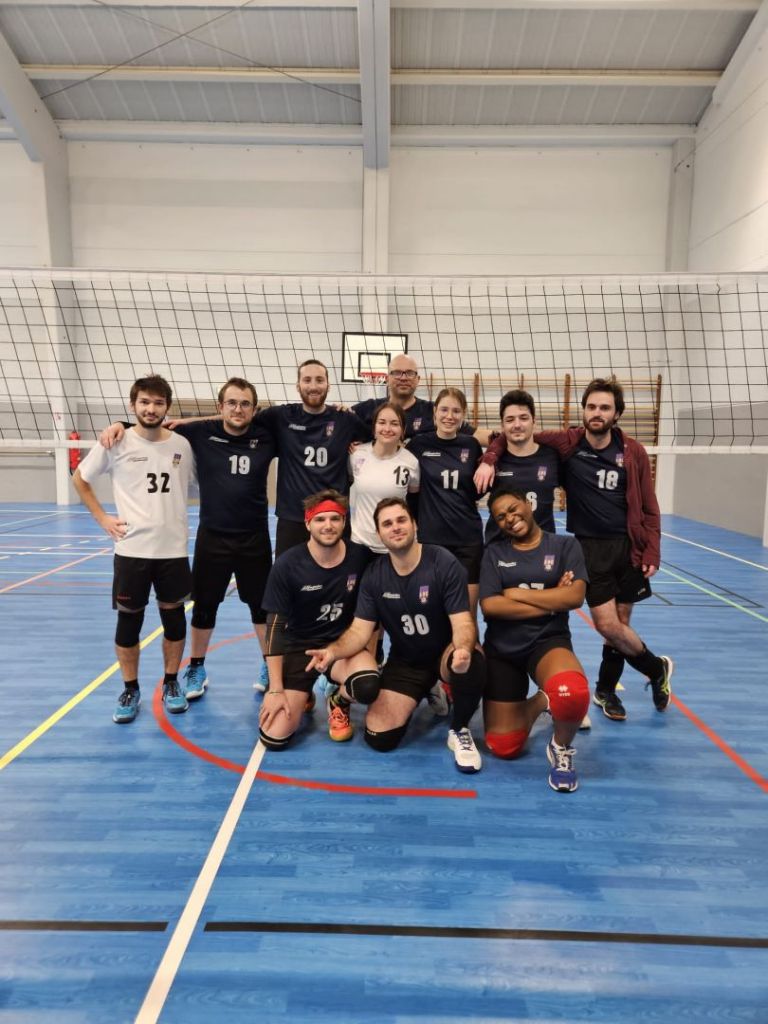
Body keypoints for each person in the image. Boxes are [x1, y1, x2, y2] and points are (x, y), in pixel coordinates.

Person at [478, 376, 673, 722]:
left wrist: (652, 550)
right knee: (607, 625)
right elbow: (512, 435)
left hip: (628, 546)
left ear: (617, 413)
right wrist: (491, 456)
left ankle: (606, 690)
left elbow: (649, 505)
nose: (597, 413)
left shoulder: (633, 452)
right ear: (583, 411)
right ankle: (656, 668)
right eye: (591, 406)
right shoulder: (568, 444)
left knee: (621, 624)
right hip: (589, 546)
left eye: (605, 408)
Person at [99, 377, 277, 698]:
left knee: (261, 608)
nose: (238, 409)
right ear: (220, 406)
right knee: (204, 607)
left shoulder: (267, 434)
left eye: (245, 404)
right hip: (213, 538)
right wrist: (120, 424)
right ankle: (196, 666)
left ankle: (268, 664)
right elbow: (152, 425)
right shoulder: (200, 433)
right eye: (231, 403)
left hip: (255, 538)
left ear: (254, 408)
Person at [307, 498, 486, 773]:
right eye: (387, 524)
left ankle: (460, 729)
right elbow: (359, 631)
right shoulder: (375, 575)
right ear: (379, 534)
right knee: (379, 738)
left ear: (414, 524)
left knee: (471, 662)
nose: (396, 527)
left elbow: (463, 621)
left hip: (446, 653)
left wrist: (462, 649)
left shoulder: (442, 562)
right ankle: (428, 687)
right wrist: (333, 651)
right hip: (407, 661)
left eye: (401, 520)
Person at [73, 374, 195, 723]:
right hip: (131, 551)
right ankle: (130, 688)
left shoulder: (183, 445)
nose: (151, 409)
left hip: (172, 550)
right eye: (144, 402)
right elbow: (80, 478)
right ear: (133, 405)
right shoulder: (116, 441)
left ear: (167, 406)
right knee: (129, 623)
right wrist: (103, 519)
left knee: (174, 621)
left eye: (158, 403)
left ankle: (171, 682)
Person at [480, 488, 591, 793]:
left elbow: (575, 596)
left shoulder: (565, 545)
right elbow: (491, 606)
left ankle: (561, 748)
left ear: (528, 504)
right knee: (503, 746)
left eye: (513, 509)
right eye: (500, 516)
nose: (509, 518)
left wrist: (516, 593)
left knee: (571, 692)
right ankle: (544, 699)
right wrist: (553, 600)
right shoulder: (494, 553)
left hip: (547, 641)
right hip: (502, 648)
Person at [258, 490, 378, 748]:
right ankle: (303, 695)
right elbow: (274, 628)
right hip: (300, 648)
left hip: (341, 646)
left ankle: (339, 700)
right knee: (273, 738)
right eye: (320, 519)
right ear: (307, 523)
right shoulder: (288, 564)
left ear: (344, 522)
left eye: (335, 518)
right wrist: (275, 688)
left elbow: (374, 612)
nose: (328, 525)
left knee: (367, 686)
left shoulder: (360, 557)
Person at [258, 359, 370, 556]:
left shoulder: (344, 418)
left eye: (319, 380)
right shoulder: (281, 416)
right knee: (288, 571)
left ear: (328, 385)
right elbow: (239, 421)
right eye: (307, 380)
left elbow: (377, 441)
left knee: (339, 571)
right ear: (298, 385)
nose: (313, 386)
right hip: (293, 517)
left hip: (333, 515)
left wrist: (360, 447)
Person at [408, 388, 484, 614]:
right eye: (444, 410)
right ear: (435, 412)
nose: (449, 416)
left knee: (466, 614)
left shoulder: (471, 445)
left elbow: (476, 489)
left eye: (456, 411)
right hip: (431, 540)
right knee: (433, 612)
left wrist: (490, 462)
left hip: (467, 541)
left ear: (464, 415)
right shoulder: (418, 445)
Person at [480, 389, 562, 544]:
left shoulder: (553, 457)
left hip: (542, 549)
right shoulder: (490, 463)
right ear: (502, 425)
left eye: (523, 418)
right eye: (510, 420)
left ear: (534, 421)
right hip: (500, 549)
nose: (517, 425)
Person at [353, 353, 486, 441]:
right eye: (397, 373)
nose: (403, 378)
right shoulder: (368, 409)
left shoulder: (434, 412)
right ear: (387, 378)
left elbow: (481, 436)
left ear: (418, 379)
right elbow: (342, 423)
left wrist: (492, 453)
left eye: (410, 373)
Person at [349, 402, 420, 555]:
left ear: (403, 430)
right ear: (374, 428)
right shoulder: (356, 455)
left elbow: (414, 500)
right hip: (361, 542)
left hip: (396, 545)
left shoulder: (411, 462)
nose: (387, 429)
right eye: (382, 422)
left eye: (394, 424)